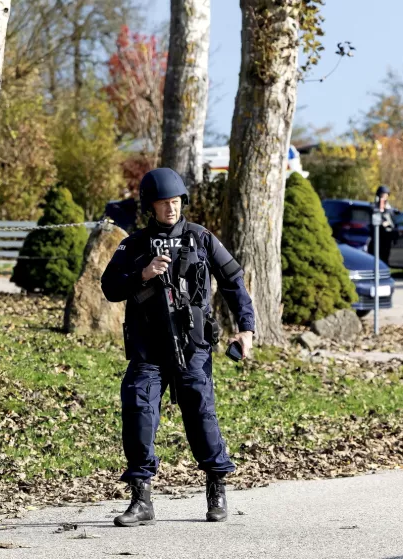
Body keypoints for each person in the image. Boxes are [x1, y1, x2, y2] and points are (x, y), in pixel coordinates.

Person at [101, 168, 255, 526]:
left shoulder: (201, 238)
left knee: (202, 417)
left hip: (193, 347)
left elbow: (233, 281)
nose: (170, 209)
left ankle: (216, 489)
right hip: (147, 349)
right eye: (162, 203)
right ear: (150, 206)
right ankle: (141, 500)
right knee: (139, 413)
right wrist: (143, 273)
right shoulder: (134, 244)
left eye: (175, 201)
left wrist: (245, 329)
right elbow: (110, 287)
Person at [370, 185, 395, 264]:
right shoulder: (374, 207)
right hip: (376, 235)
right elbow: (373, 218)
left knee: (385, 255)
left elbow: (393, 220)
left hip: (386, 236)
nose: (384, 197)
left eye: (386, 195)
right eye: (382, 195)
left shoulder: (389, 208)